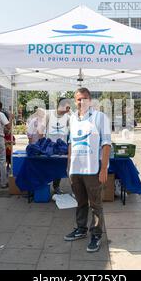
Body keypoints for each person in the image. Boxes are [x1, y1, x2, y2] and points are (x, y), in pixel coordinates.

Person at [64, 88, 111, 253]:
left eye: (84, 99)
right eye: (78, 99)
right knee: (81, 202)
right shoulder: (72, 119)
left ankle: (96, 234)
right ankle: (81, 229)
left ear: (90, 100)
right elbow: (71, 143)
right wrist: (69, 167)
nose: (81, 102)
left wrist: (103, 168)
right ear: (74, 101)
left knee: (96, 204)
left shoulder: (100, 117)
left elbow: (106, 144)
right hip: (76, 170)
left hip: (93, 169)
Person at [45, 98, 71, 194]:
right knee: (48, 167)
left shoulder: (68, 117)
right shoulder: (49, 115)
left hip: (61, 148)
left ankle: (56, 186)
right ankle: (45, 185)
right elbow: (42, 128)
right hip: (50, 146)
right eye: (67, 106)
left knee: (59, 168)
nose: (68, 108)